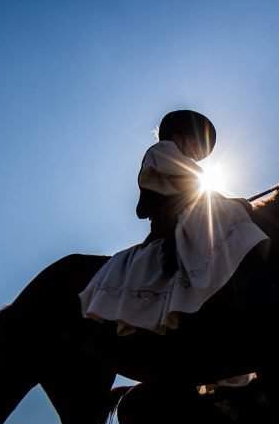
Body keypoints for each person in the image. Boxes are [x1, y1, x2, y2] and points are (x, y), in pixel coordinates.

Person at [79, 110, 268, 335]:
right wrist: (227, 201)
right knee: (228, 212)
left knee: (228, 211)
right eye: (196, 143)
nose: (198, 152)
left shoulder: (182, 161)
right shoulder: (162, 152)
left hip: (188, 219)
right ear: (180, 135)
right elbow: (191, 184)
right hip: (176, 224)